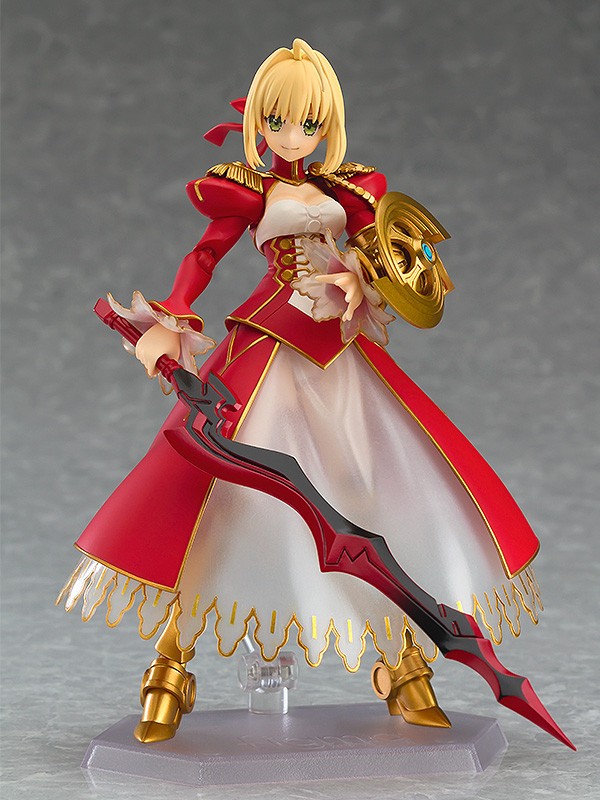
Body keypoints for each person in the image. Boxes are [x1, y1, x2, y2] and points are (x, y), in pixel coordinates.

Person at [58, 39, 542, 743]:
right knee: (217, 500)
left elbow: (389, 256)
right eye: (279, 120)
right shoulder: (249, 190)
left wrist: (376, 280)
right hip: (267, 345)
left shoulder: (350, 189)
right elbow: (204, 254)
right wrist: (175, 312)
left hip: (341, 350)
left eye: (309, 123)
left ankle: (404, 665)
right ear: (259, 120)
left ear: (328, 126)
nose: (293, 135)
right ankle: (169, 669)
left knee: (372, 491)